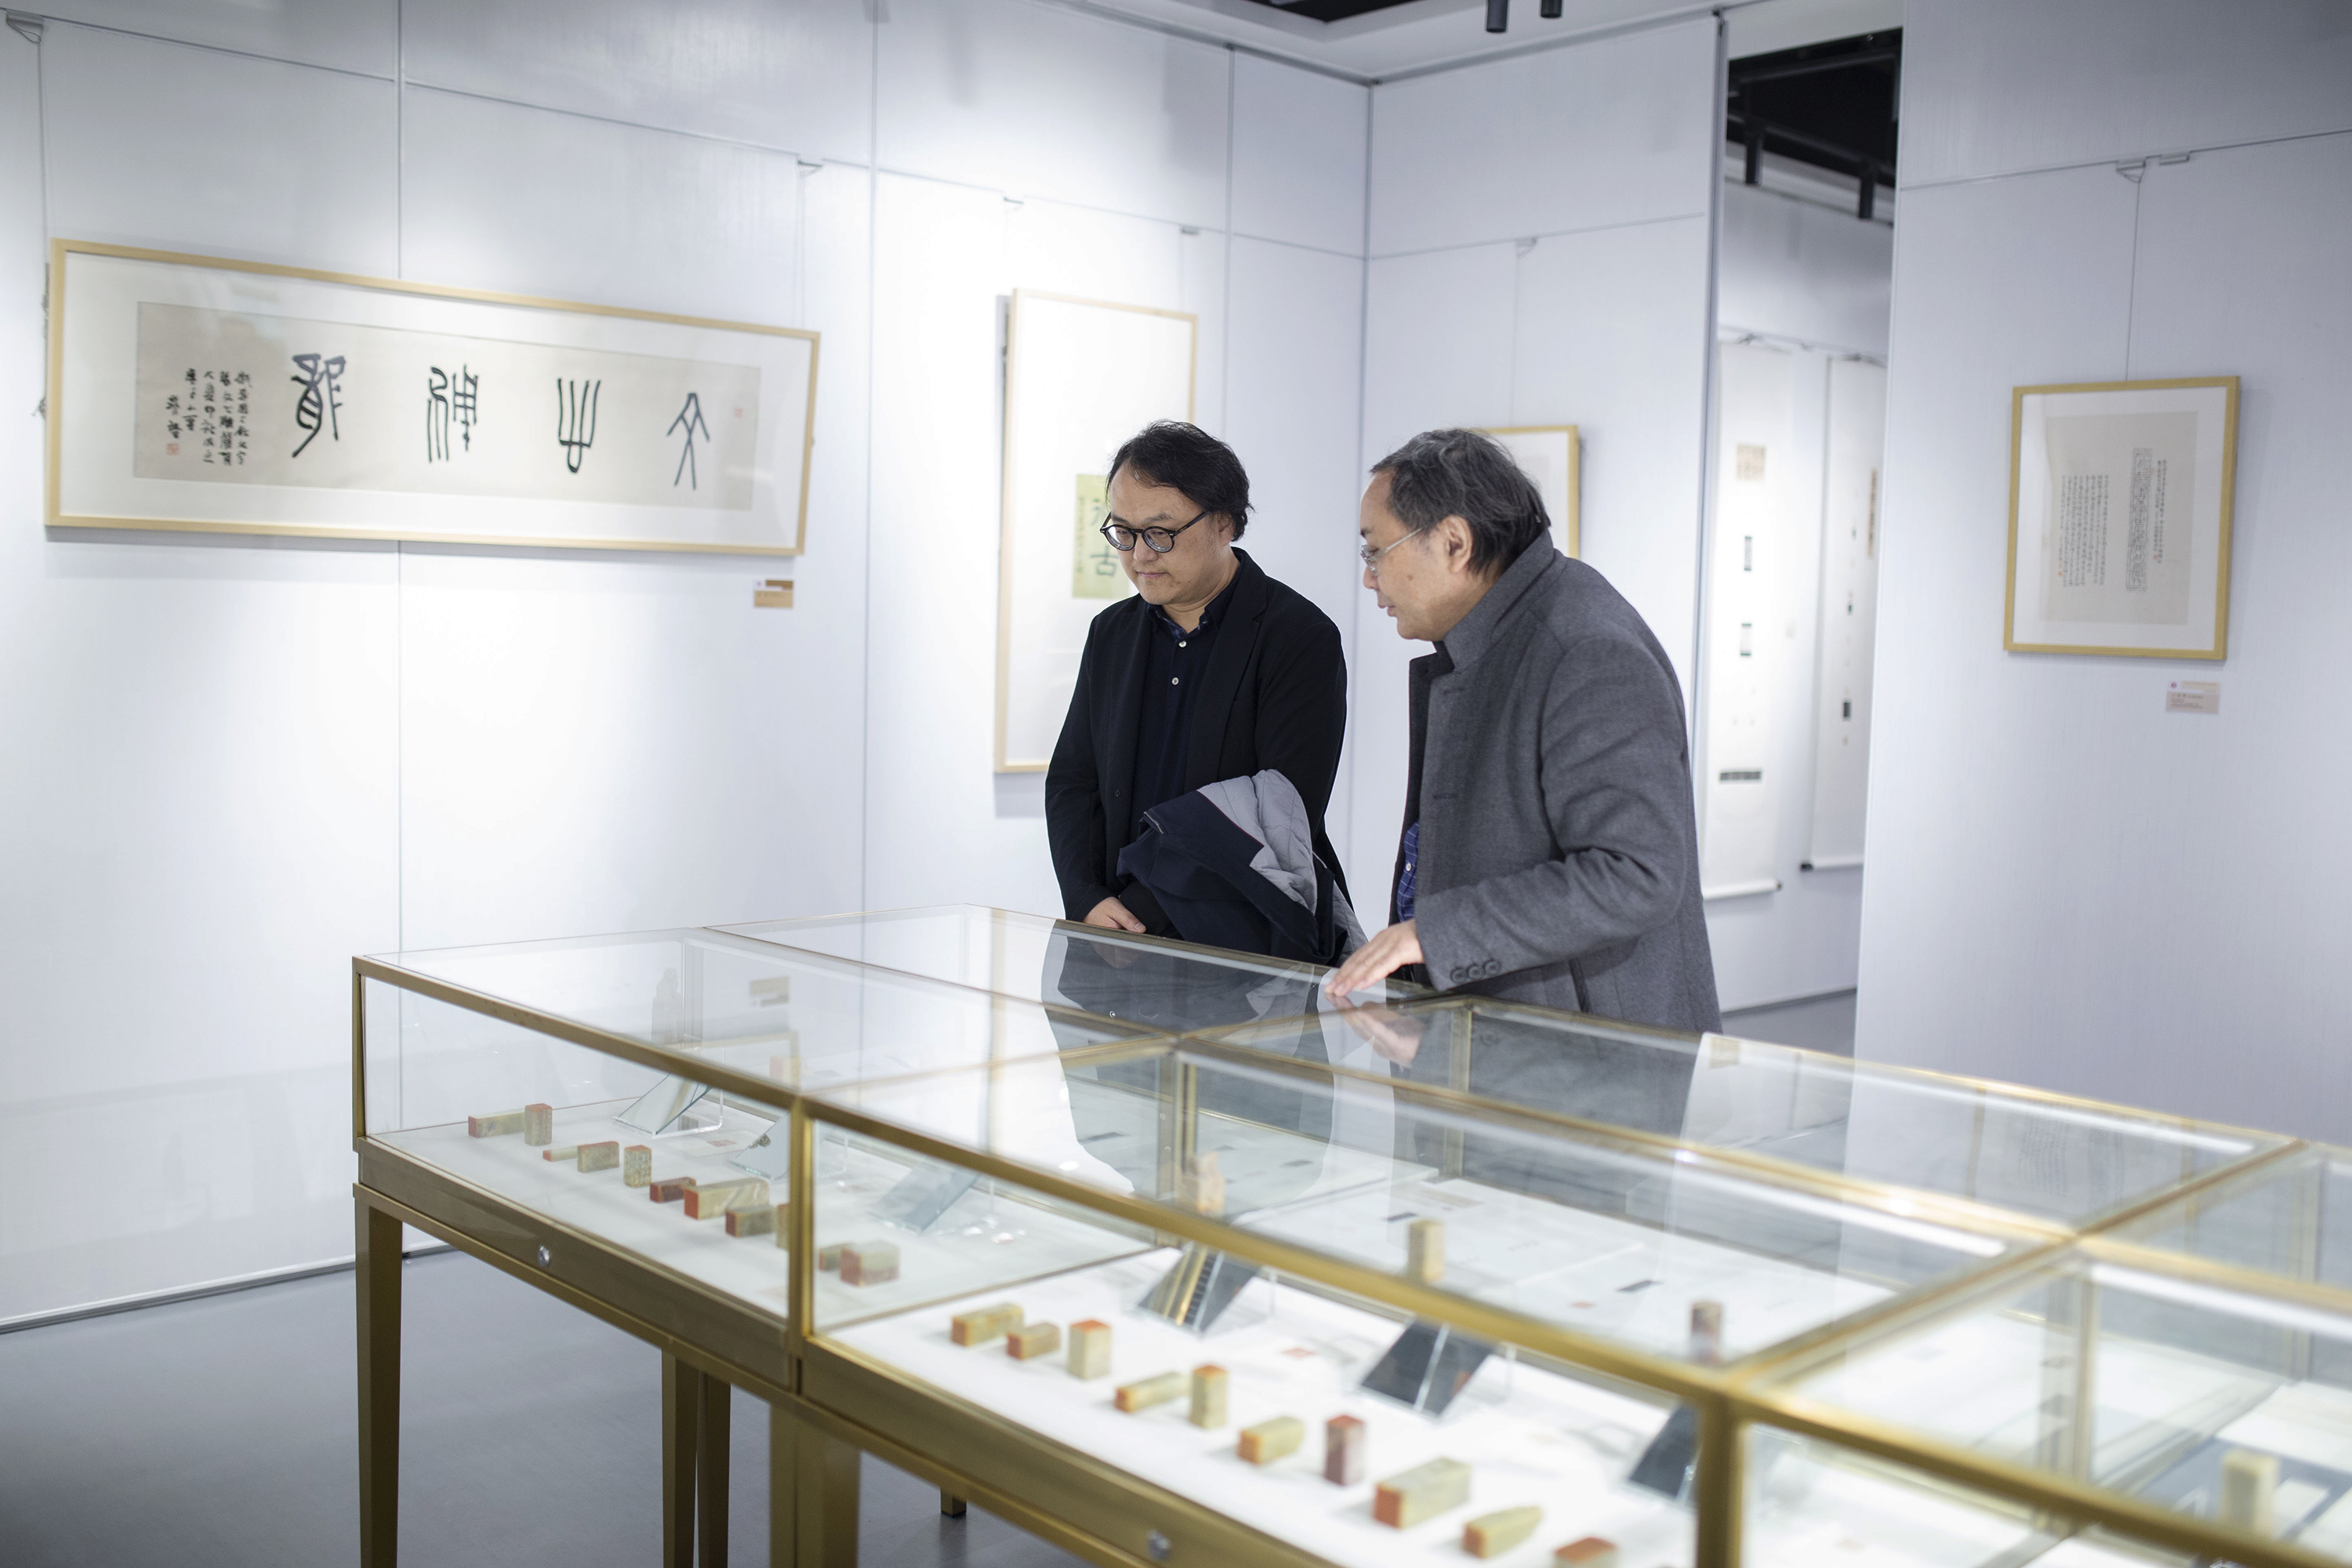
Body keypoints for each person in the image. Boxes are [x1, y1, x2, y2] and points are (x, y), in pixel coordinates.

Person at [1323, 428, 1719, 1034]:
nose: (1370, 578)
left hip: (1594, 1055)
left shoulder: (1586, 650)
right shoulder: (1504, 635)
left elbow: (1636, 874)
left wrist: (1436, 935)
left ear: (1454, 543)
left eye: (1376, 552)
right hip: (1513, 1040)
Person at [1047, 422, 1350, 946]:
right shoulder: (1112, 633)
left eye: (1160, 534)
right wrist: (1086, 897)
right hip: (1118, 935)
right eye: (1124, 533)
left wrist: (1138, 916)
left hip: (1244, 937)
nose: (1140, 556)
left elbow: (1282, 811)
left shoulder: (1299, 636)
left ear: (1224, 523)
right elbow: (1074, 780)